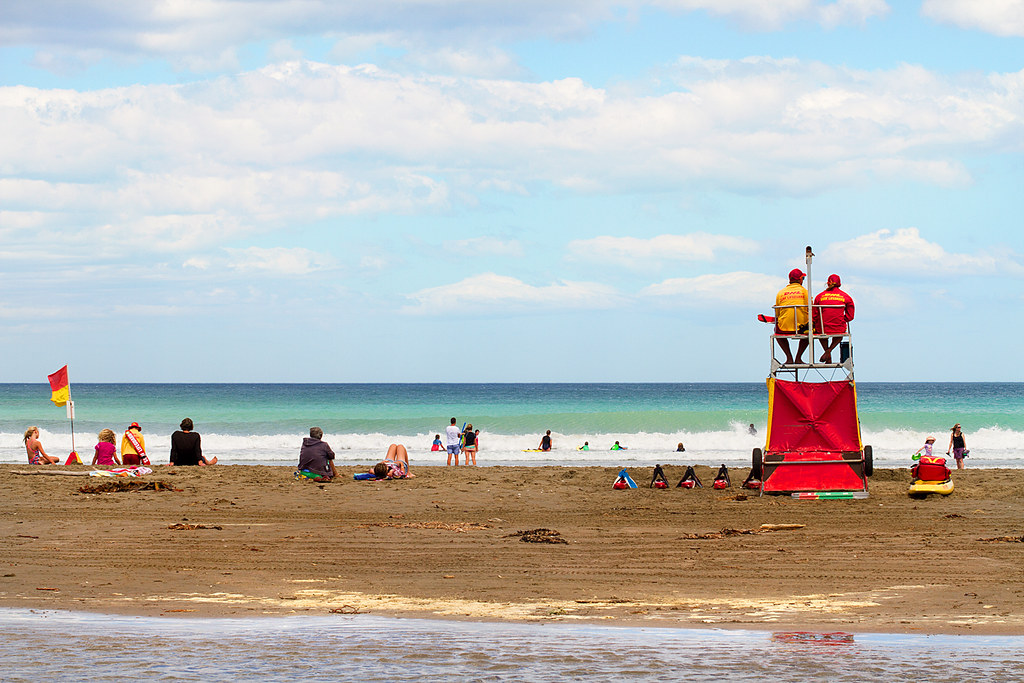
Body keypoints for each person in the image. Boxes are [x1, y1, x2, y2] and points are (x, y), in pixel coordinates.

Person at [812, 273, 855, 363]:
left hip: (823, 328)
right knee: (840, 333)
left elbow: (814, 315)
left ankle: (827, 352)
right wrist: (843, 319)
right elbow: (850, 316)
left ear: (828, 283)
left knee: (821, 332)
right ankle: (829, 351)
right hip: (838, 327)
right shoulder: (846, 297)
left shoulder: (819, 296)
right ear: (839, 284)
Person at [774, 268, 809, 365]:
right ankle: (798, 357)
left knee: (777, 332)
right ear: (800, 279)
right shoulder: (805, 292)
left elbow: (777, 313)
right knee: (810, 330)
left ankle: (789, 357)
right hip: (802, 328)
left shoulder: (780, 293)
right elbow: (811, 310)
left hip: (784, 328)